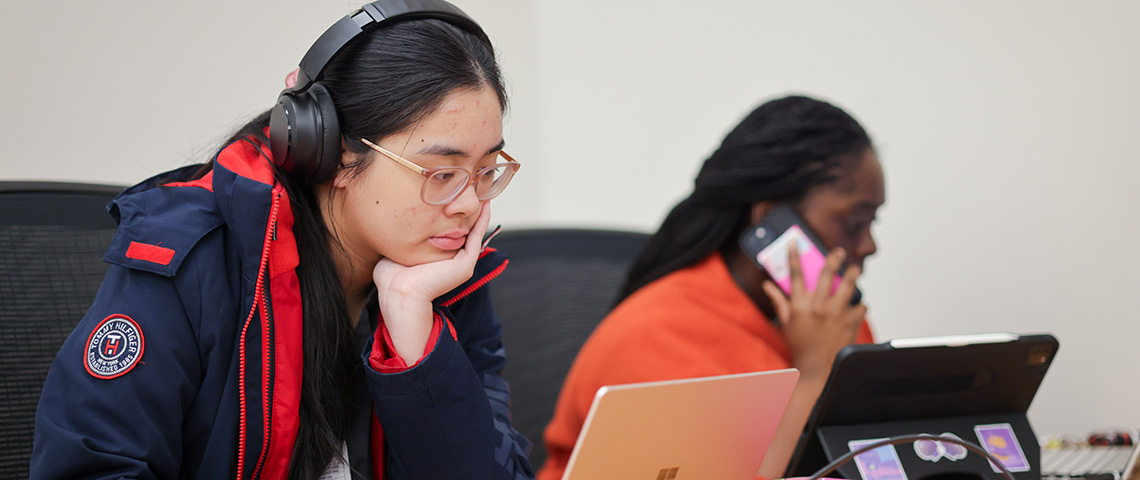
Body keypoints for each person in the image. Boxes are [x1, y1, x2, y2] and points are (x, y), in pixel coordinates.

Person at [31, 1, 534, 479]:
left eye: (487, 168)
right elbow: (94, 464)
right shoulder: (191, 260)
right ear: (334, 153)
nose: (470, 204)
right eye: (443, 173)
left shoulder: (445, 278)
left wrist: (417, 348)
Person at [537, 95, 885, 480]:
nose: (869, 246)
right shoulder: (656, 334)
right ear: (772, 219)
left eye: (873, 223)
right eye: (854, 223)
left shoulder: (833, 319)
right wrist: (815, 373)